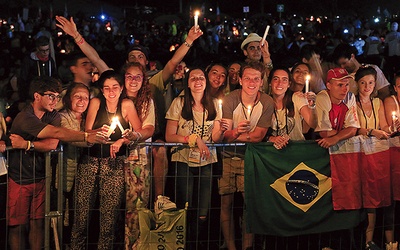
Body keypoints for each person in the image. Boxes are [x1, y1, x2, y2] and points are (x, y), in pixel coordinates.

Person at [55, 16, 203, 211]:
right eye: (132, 58)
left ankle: (159, 199)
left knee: (138, 202)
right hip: (113, 151)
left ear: (146, 64)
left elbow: (172, 62)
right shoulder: (116, 84)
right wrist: (75, 35)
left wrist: (189, 41)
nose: (136, 61)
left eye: (140, 57)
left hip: (140, 149)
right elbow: (96, 60)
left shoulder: (154, 83)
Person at [7, 76, 105, 250]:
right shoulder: (25, 117)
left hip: (41, 177)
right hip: (20, 178)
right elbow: (56, 132)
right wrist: (85, 136)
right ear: (37, 96)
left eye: (57, 96)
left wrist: (27, 144)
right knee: (18, 226)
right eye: (51, 96)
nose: (55, 100)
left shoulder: (52, 115)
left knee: (38, 224)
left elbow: (52, 143)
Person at [70, 70, 138, 249]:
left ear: (121, 88)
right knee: (81, 214)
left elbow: (138, 133)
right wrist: (99, 132)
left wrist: (122, 139)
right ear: (101, 89)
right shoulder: (96, 102)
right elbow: (87, 131)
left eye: (115, 87)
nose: (111, 91)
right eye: (106, 88)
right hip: (90, 161)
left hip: (114, 163)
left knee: (109, 216)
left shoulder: (127, 105)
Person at [212, 61, 274, 250]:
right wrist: (235, 133)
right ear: (240, 80)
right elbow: (225, 136)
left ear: (262, 81)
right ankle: (230, 246)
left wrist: (237, 134)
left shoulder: (267, 102)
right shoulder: (230, 99)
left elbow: (258, 136)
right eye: (247, 78)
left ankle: (247, 246)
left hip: (250, 157)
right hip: (228, 156)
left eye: (256, 79)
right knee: (226, 203)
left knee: (250, 204)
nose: (251, 82)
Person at [165, 67, 220, 246]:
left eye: (201, 77)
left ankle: (197, 242)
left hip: (207, 160)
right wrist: (193, 139)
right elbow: (169, 136)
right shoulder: (179, 103)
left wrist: (224, 128)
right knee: (185, 205)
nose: (198, 81)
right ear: (188, 83)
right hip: (183, 159)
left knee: (203, 210)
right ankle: (184, 243)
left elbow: (216, 137)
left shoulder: (214, 103)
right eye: (193, 78)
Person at [353, 66, 397, 250]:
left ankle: (387, 243)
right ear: (356, 84)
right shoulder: (351, 103)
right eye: (363, 83)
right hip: (359, 157)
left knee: (381, 196)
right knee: (365, 200)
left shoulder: (378, 103)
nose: (367, 87)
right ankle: (366, 241)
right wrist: (371, 131)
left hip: (377, 157)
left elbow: (385, 126)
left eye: (371, 83)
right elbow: (353, 128)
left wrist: (392, 128)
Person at [122, 62, 156, 248]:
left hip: (139, 158)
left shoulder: (147, 102)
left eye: (138, 77)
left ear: (143, 80)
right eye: (129, 76)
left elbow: (149, 129)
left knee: (136, 208)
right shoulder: (115, 98)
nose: (133, 80)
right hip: (115, 158)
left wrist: (135, 135)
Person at [58, 82, 90, 241]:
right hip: (64, 172)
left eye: (85, 98)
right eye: (77, 96)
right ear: (69, 98)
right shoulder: (61, 117)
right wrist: (92, 138)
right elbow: (70, 137)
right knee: (61, 212)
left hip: (84, 174)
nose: (82, 101)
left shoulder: (89, 118)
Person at [266, 67, 316, 149]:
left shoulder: (296, 97)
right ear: (270, 82)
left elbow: (313, 124)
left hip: (296, 149)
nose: (280, 83)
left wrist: (312, 106)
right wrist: (271, 138)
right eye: (276, 79)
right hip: (273, 152)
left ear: (289, 84)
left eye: (284, 80)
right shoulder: (265, 102)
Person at [315, 68, 360, 149]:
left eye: (347, 84)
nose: (345, 89)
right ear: (329, 86)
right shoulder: (322, 97)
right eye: (340, 85)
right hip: (319, 146)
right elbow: (324, 133)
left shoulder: (350, 97)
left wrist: (336, 138)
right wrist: (345, 133)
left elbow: (353, 129)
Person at [18, 36, 58, 102]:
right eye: (43, 51)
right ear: (37, 49)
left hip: (47, 93)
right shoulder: (29, 61)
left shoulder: (50, 61)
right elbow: (23, 79)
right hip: (33, 94)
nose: (45, 53)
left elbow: (54, 75)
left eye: (47, 50)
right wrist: (24, 98)